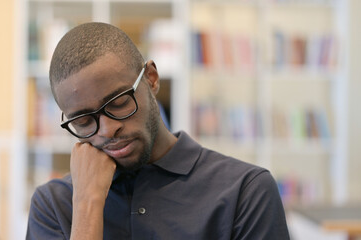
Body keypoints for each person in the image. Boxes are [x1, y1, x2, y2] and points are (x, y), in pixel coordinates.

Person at [26, 22, 290, 240]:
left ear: (151, 78)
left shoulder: (245, 192)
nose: (107, 130)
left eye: (118, 103)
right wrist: (86, 204)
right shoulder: (54, 204)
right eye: (83, 121)